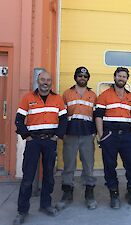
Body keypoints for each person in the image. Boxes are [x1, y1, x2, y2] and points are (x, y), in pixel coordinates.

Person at [13, 71, 67, 225]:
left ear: (51, 83)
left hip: (50, 141)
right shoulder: (28, 98)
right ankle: (22, 211)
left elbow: (63, 121)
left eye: (48, 80)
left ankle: (46, 205)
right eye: (42, 79)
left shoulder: (57, 99)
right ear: (38, 80)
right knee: (28, 177)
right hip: (33, 142)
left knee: (49, 176)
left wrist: (57, 136)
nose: (45, 82)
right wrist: (26, 136)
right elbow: (19, 120)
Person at [94, 67, 131, 209]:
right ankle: (114, 194)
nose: (121, 78)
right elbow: (98, 116)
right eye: (119, 76)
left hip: (127, 136)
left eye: (124, 76)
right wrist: (101, 136)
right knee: (110, 166)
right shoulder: (104, 95)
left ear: (127, 79)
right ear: (114, 77)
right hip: (110, 135)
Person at [56, 67, 97, 211]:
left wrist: (95, 133)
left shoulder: (93, 94)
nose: (82, 78)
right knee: (69, 166)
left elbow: (96, 116)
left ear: (88, 78)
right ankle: (67, 193)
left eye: (85, 76)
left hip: (87, 135)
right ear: (75, 77)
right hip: (70, 134)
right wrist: (62, 133)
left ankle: (89, 194)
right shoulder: (67, 94)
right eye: (80, 75)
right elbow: (61, 116)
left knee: (88, 166)